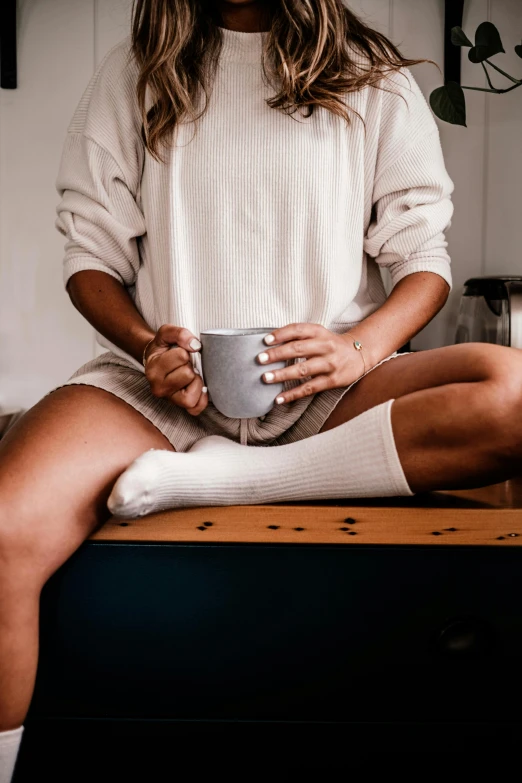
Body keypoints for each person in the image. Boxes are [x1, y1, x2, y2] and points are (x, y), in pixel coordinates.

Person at [1, 0, 522, 778]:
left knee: (513, 393)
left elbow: (424, 256)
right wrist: (149, 347)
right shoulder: (135, 75)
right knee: (4, 531)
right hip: (164, 395)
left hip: (328, 394)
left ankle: (230, 478)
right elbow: (91, 257)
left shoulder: (374, 79)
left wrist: (358, 347)